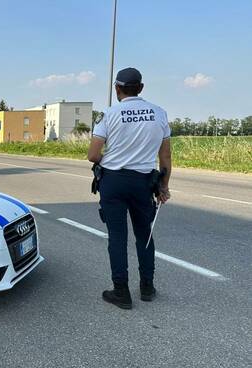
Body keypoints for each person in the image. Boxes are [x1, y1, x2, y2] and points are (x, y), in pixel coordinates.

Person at [88, 67, 172, 310]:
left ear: (117, 88)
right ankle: (147, 287)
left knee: (117, 237)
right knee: (144, 234)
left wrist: (111, 160)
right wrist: (163, 187)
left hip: (113, 182)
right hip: (143, 182)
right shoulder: (159, 114)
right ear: (141, 88)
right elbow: (165, 157)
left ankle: (121, 291)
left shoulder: (109, 114)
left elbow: (93, 154)